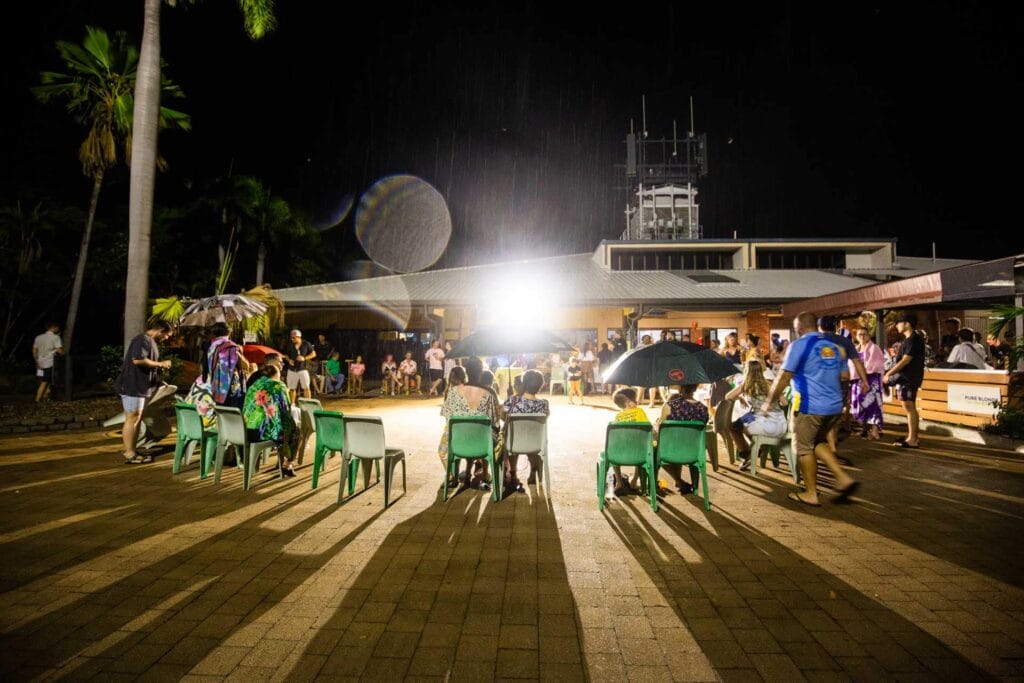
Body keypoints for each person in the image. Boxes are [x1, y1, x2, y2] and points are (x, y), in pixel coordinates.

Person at [764, 312, 860, 506]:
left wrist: (769, 401)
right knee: (817, 442)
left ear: (799, 328)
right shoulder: (834, 347)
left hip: (810, 406)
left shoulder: (799, 346)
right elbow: (844, 375)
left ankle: (811, 493)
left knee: (802, 447)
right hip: (834, 406)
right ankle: (843, 479)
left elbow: (784, 377)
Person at [114, 321, 173, 464]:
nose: (166, 338)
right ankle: (129, 453)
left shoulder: (150, 342)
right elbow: (138, 360)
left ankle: (132, 449)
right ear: (160, 330)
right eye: (166, 335)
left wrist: (157, 380)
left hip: (141, 386)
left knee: (137, 419)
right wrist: (161, 364)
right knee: (132, 418)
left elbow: (148, 366)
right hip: (133, 385)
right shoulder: (142, 340)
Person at [439, 358, 501, 490]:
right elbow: (495, 422)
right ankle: (485, 473)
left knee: (449, 438)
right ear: (480, 373)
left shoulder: (454, 392)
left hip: (458, 442)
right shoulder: (488, 394)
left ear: (466, 371)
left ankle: (453, 476)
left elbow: (447, 417)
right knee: (489, 433)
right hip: (482, 444)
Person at [725, 359, 788, 471]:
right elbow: (785, 402)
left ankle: (747, 454)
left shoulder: (746, 385)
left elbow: (728, 397)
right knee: (747, 419)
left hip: (763, 424)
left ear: (747, 371)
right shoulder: (770, 383)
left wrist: (739, 397)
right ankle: (755, 450)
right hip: (780, 424)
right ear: (761, 371)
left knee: (733, 427)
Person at [243, 364, 299, 477]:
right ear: (275, 375)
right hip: (261, 433)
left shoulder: (254, 385)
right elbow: (286, 409)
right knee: (295, 430)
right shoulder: (278, 385)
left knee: (283, 425)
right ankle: (287, 464)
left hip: (245, 431)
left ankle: (283, 463)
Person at [502, 369, 550, 492]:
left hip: (514, 443)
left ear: (524, 383)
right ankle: (534, 471)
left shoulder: (512, 401)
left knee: (511, 436)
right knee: (532, 436)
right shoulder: (544, 404)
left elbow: (503, 417)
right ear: (540, 386)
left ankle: (513, 473)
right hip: (536, 444)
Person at [657, 384, 710, 494]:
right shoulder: (703, 408)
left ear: (681, 388)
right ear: (695, 388)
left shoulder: (669, 406)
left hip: (672, 449)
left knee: (655, 454)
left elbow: (661, 430)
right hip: (695, 450)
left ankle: (679, 481)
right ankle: (680, 482)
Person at [884, 312, 926, 449]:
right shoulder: (909, 340)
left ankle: (913, 439)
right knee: (908, 407)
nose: (896, 326)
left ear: (906, 323)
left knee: (909, 407)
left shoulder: (914, 339)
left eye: (898, 322)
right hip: (906, 379)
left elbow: (905, 360)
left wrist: (889, 374)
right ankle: (911, 437)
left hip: (909, 378)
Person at [609, 388, 648, 497]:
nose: (637, 403)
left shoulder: (617, 417)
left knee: (614, 449)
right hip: (639, 453)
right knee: (641, 446)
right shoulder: (640, 412)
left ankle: (619, 481)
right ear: (629, 403)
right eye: (635, 401)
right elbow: (648, 429)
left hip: (619, 454)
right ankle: (634, 480)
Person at [851, 328, 886, 440]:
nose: (862, 336)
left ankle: (875, 431)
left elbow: (877, 365)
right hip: (858, 381)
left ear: (869, 336)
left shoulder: (874, 348)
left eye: (864, 334)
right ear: (856, 336)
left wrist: (864, 372)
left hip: (872, 381)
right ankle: (865, 429)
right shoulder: (855, 349)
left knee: (874, 405)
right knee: (860, 406)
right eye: (859, 334)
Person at [207, 323, 252, 408]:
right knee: (234, 411)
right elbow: (245, 366)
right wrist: (238, 352)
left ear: (213, 334)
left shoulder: (211, 347)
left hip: (216, 385)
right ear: (229, 333)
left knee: (221, 411)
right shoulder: (231, 347)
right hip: (231, 385)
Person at [32, 322, 63, 402]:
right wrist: (63, 353)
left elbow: (34, 350)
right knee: (45, 381)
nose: (58, 329)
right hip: (49, 363)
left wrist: (36, 361)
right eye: (58, 327)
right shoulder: (55, 337)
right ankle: (38, 400)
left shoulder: (38, 337)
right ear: (54, 327)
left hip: (39, 363)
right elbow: (60, 351)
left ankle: (46, 398)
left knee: (42, 380)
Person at [284, 329, 316, 403]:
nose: (292, 339)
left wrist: (304, 358)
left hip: (303, 369)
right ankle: (292, 404)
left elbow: (314, 354)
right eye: (291, 337)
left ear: (299, 337)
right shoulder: (290, 345)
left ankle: (308, 403)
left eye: (294, 338)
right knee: (292, 388)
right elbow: (286, 355)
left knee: (306, 387)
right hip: (292, 369)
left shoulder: (306, 344)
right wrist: (289, 360)